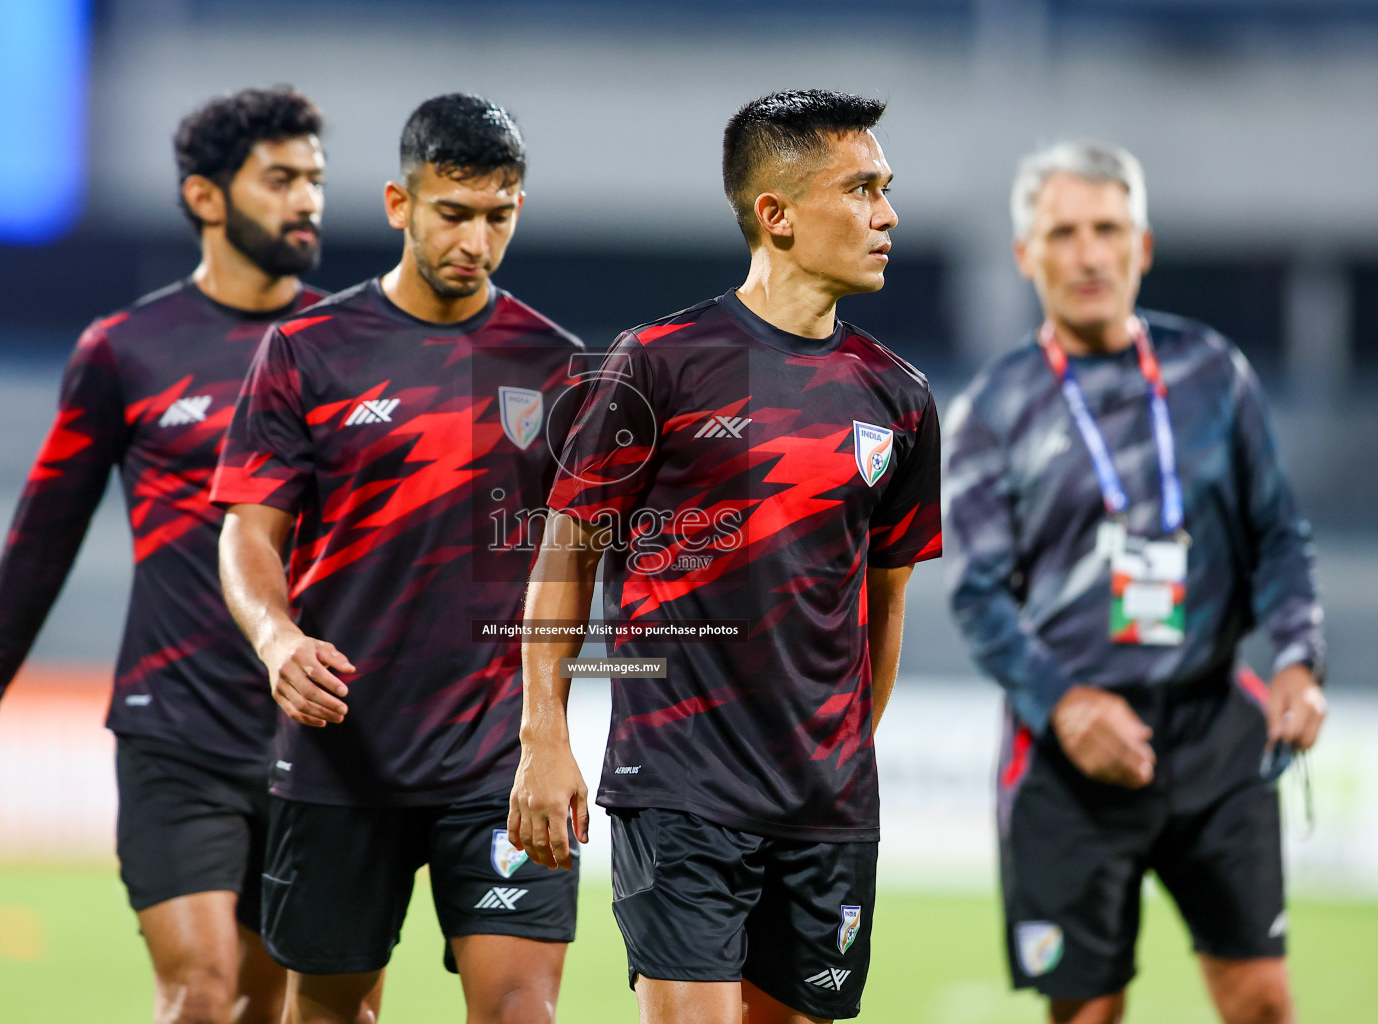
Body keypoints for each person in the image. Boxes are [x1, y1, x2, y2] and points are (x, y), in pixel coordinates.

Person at [509, 89, 942, 1024]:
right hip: (680, 785)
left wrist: (842, 754)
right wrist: (544, 732)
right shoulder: (661, 363)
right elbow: (566, 550)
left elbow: (886, 599)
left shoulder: (899, 398)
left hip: (824, 807)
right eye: (862, 188)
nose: (888, 214)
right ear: (776, 216)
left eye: (886, 188)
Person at [0, 86, 328, 1024]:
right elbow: (42, 536)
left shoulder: (343, 347)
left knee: (275, 1005)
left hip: (315, 735)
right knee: (200, 988)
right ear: (206, 198)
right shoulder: (126, 351)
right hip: (172, 725)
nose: (306, 199)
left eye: (313, 179)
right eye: (279, 179)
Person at [213, 93, 584, 1024]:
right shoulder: (307, 351)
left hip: (498, 757)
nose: (476, 241)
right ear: (397, 205)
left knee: (522, 1014)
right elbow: (248, 530)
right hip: (346, 751)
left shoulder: (560, 369)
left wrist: (550, 731)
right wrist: (275, 640)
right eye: (453, 214)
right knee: (332, 1010)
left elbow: (578, 564)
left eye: (498, 217)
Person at [944, 141, 1328, 1024]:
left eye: (1108, 229)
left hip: (1215, 733)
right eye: (1064, 232)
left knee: (1265, 1000)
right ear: (1024, 256)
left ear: (1142, 246)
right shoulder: (991, 411)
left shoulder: (1212, 375)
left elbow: (1278, 535)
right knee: (1088, 1014)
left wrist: (1300, 660)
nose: (1088, 254)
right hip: (1069, 751)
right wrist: (1068, 706)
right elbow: (978, 595)